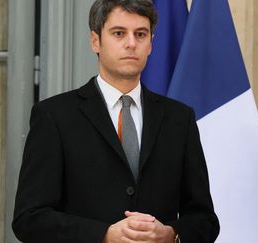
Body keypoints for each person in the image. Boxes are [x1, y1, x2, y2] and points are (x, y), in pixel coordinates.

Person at [12, 0, 220, 242]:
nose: (131, 43)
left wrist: (171, 234)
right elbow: (29, 219)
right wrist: (103, 235)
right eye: (119, 33)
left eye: (140, 34)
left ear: (151, 44)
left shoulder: (179, 118)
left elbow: (204, 219)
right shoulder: (54, 116)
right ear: (95, 41)